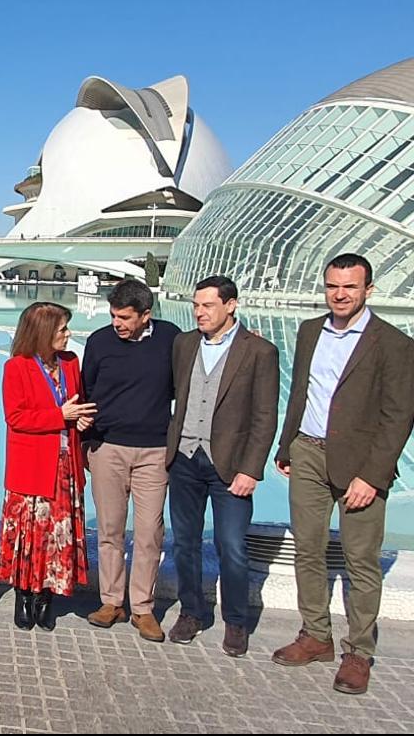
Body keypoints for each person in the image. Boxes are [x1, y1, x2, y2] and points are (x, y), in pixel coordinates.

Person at [271, 254, 414, 695]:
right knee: (308, 550)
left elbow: (398, 416)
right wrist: (287, 443)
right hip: (308, 453)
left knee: (360, 560)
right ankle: (316, 634)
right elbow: (300, 391)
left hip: (361, 464)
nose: (340, 294)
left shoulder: (392, 343)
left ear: (368, 290)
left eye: (350, 287)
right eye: (333, 285)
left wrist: (373, 475)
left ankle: (359, 651)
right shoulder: (311, 330)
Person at [165, 276, 279, 657]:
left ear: (231, 305)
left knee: (231, 546)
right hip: (183, 459)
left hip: (230, 466)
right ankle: (192, 612)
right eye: (197, 305)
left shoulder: (259, 351)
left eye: (208, 305)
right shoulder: (184, 343)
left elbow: (265, 417)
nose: (199, 312)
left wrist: (251, 469)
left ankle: (236, 621)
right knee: (185, 543)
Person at [81, 278, 179, 642]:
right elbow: (86, 390)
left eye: (124, 317)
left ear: (145, 315)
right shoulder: (99, 342)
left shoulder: (171, 338)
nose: (117, 323)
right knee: (109, 530)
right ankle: (111, 601)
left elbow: (179, 388)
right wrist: (86, 442)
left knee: (150, 531)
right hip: (108, 448)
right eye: (113, 316)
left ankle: (143, 607)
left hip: (154, 451)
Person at [0, 302, 94, 631]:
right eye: (62, 329)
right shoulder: (17, 368)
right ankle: (24, 594)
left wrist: (79, 421)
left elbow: (75, 405)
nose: (67, 335)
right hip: (31, 465)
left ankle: (46, 596)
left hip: (65, 463)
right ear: (42, 332)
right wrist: (59, 417)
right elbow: (16, 417)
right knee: (29, 536)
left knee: (56, 535)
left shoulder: (70, 363)